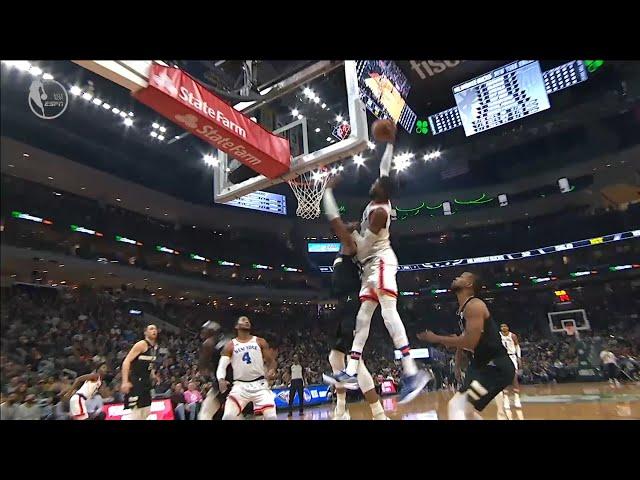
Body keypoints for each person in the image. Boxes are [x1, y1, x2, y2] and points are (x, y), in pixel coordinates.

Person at [322, 121, 428, 404]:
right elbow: (385, 168)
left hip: (380, 262)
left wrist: (348, 230)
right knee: (362, 317)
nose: (372, 182)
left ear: (383, 192)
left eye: (376, 184)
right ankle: (351, 370)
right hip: (370, 266)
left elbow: (361, 245)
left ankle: (412, 371)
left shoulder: (380, 213)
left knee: (388, 312)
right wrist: (390, 144)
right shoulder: (378, 197)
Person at [320, 210, 388, 420]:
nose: (349, 224)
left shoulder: (351, 247)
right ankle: (341, 409)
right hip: (343, 303)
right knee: (335, 357)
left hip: (352, 302)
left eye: (353, 223)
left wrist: (329, 202)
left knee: (354, 361)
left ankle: (378, 413)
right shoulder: (342, 253)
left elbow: (340, 229)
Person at [418, 272, 514, 420]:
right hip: (482, 365)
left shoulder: (475, 305)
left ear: (469, 285)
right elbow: (464, 341)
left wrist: (437, 338)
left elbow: (470, 342)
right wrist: (457, 365)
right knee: (466, 411)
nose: (456, 278)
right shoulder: (463, 310)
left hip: (495, 367)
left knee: (458, 406)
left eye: (462, 277)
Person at [216, 316, 278, 420]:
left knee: (271, 417)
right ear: (236, 326)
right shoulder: (230, 345)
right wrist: (221, 379)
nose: (246, 321)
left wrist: (272, 370)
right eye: (243, 320)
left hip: (260, 385)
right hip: (240, 386)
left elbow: (271, 361)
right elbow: (222, 366)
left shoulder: (259, 341)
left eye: (248, 321)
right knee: (227, 416)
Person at [120, 324, 159, 420]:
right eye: (151, 329)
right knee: (136, 414)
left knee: (146, 411)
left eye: (155, 329)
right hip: (136, 382)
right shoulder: (141, 344)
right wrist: (125, 382)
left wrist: (153, 375)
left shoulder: (154, 347)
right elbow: (126, 361)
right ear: (145, 332)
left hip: (146, 383)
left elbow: (149, 364)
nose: (154, 330)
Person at [197, 320, 229, 420]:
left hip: (223, 384)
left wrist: (206, 376)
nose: (202, 333)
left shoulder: (208, 344)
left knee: (205, 414)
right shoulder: (228, 341)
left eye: (204, 330)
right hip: (233, 383)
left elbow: (202, 367)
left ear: (211, 332)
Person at [499, 323, 522, 409]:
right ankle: (506, 400)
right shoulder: (498, 335)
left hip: (512, 356)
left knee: (514, 378)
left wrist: (519, 357)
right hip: (502, 357)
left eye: (505, 326)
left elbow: (517, 346)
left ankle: (517, 399)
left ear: (508, 328)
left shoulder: (513, 336)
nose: (503, 327)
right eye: (501, 326)